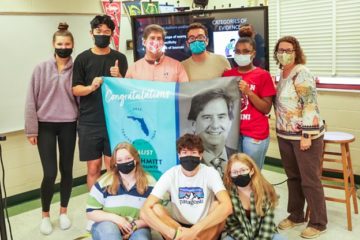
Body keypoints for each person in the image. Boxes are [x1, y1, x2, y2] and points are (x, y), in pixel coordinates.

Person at [24, 23, 77, 235]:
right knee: (50, 172)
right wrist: (31, 129)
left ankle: (63, 212)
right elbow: (31, 100)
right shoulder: (40, 68)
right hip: (45, 125)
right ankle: (45, 215)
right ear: (53, 45)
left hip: (69, 125)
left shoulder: (77, 68)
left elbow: (81, 100)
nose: (63, 47)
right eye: (60, 43)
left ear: (73, 45)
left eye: (67, 44)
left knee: (67, 171)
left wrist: (82, 128)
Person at [274, 36, 327, 239]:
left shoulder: (302, 72)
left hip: (305, 136)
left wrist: (307, 134)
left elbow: (310, 104)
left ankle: (319, 222)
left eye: (288, 50)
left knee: (309, 180)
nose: (284, 53)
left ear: (296, 52)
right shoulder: (282, 73)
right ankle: (296, 215)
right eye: (280, 50)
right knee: (293, 178)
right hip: (284, 135)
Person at [140, 134, 232, 240]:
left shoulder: (210, 172)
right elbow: (144, 210)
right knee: (156, 208)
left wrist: (194, 231)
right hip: (177, 228)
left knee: (218, 205)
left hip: (203, 227)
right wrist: (171, 233)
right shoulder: (171, 174)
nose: (189, 156)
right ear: (179, 155)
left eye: (193, 152)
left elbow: (227, 206)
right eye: (184, 152)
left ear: (200, 155)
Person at [72, 15, 128, 190]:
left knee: (114, 167)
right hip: (90, 123)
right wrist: (91, 87)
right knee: (93, 168)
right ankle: (94, 208)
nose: (102, 35)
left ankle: (113, 205)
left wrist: (118, 77)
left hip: (114, 122)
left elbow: (127, 90)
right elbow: (75, 89)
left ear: (112, 34)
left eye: (106, 32)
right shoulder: (82, 59)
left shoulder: (120, 58)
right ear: (91, 33)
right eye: (98, 31)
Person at [223, 37, 276, 170]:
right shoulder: (227, 75)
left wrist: (249, 92)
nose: (241, 55)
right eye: (238, 51)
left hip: (254, 134)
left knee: (252, 175)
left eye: (246, 51)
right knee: (235, 172)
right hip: (233, 133)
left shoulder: (263, 75)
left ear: (253, 53)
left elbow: (266, 108)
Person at [87, 142, 155, 240]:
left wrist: (135, 225)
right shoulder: (104, 182)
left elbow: (158, 214)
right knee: (111, 235)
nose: (124, 162)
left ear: (135, 160)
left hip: (137, 226)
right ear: (115, 163)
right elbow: (91, 211)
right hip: (107, 225)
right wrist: (117, 220)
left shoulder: (150, 182)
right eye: (119, 160)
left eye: (128, 158)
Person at [223, 153, 285, 240]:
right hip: (240, 234)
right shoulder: (227, 194)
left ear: (251, 171)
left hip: (264, 232)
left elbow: (267, 223)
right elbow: (232, 226)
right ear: (230, 175)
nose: (239, 174)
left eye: (243, 170)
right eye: (235, 172)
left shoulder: (264, 189)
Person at [187, 89, 237, 176]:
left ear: (230, 123)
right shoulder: (186, 160)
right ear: (194, 125)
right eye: (207, 117)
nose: (215, 125)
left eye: (221, 117)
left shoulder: (239, 156)